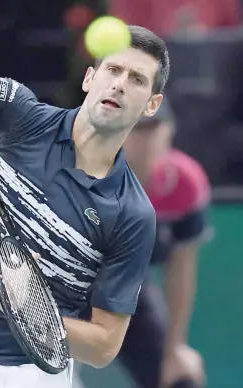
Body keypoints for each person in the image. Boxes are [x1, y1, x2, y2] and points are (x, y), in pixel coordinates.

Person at [0, 25, 170, 388]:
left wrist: (25, 307)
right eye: (113, 70)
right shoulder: (25, 118)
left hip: (34, 377)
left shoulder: (131, 214)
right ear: (90, 78)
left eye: (137, 79)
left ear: (152, 104)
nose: (119, 84)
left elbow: (104, 346)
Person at [118, 101, 210, 388]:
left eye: (153, 127)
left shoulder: (185, 182)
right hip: (65, 293)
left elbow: (181, 269)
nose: (145, 139)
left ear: (169, 132)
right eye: (135, 128)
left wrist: (175, 348)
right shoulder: (85, 177)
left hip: (129, 288)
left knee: (181, 377)